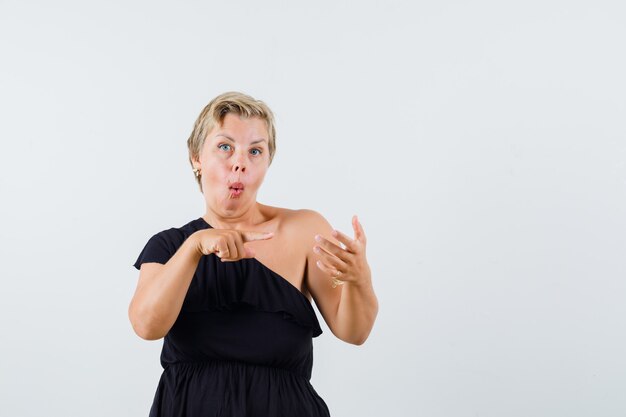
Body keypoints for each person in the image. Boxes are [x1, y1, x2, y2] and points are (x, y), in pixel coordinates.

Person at [128, 91, 379, 417]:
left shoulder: (304, 229)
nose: (240, 162)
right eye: (225, 147)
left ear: (267, 162)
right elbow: (147, 326)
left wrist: (360, 279)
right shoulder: (170, 245)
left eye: (255, 151)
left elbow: (354, 332)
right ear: (196, 157)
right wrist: (194, 247)